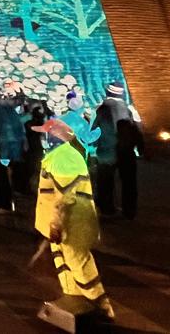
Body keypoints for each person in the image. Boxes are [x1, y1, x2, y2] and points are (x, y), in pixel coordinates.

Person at [33, 118, 114, 320]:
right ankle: (75, 299)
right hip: (63, 225)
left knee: (78, 262)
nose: (43, 138)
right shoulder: (57, 156)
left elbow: (65, 198)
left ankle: (100, 304)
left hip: (72, 223)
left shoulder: (64, 158)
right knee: (64, 263)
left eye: (46, 134)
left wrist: (56, 225)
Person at [91, 104, 117, 215]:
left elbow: (93, 138)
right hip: (113, 154)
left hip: (102, 154)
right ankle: (109, 205)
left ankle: (101, 203)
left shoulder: (99, 121)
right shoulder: (114, 121)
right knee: (110, 181)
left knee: (101, 179)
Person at [116, 116, 144, 219]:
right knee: (131, 184)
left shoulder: (118, 130)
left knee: (125, 184)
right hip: (130, 157)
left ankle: (126, 209)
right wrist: (140, 152)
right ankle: (131, 209)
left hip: (121, 158)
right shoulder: (134, 130)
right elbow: (140, 146)